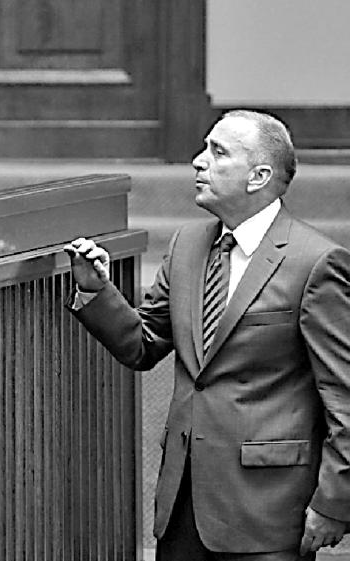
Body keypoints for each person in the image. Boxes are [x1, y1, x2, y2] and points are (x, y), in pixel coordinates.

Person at [65, 109, 350, 560]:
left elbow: (343, 395)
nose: (199, 161)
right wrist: (96, 290)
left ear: (258, 177)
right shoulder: (187, 245)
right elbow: (142, 344)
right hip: (184, 504)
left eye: (218, 153)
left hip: (269, 510)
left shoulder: (316, 262)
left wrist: (335, 502)